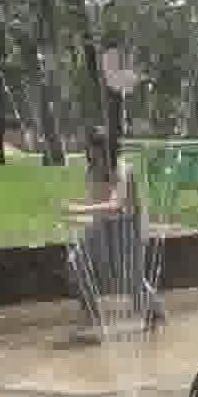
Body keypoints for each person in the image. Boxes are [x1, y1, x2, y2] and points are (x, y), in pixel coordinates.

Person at [62, 127, 167, 330]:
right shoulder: (91, 172)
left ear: (109, 150)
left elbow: (116, 205)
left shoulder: (123, 170)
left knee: (130, 280)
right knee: (76, 264)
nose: (96, 154)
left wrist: (78, 210)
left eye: (101, 150)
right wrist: (80, 220)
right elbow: (98, 208)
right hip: (102, 225)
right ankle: (93, 315)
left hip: (128, 226)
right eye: (93, 149)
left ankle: (155, 312)